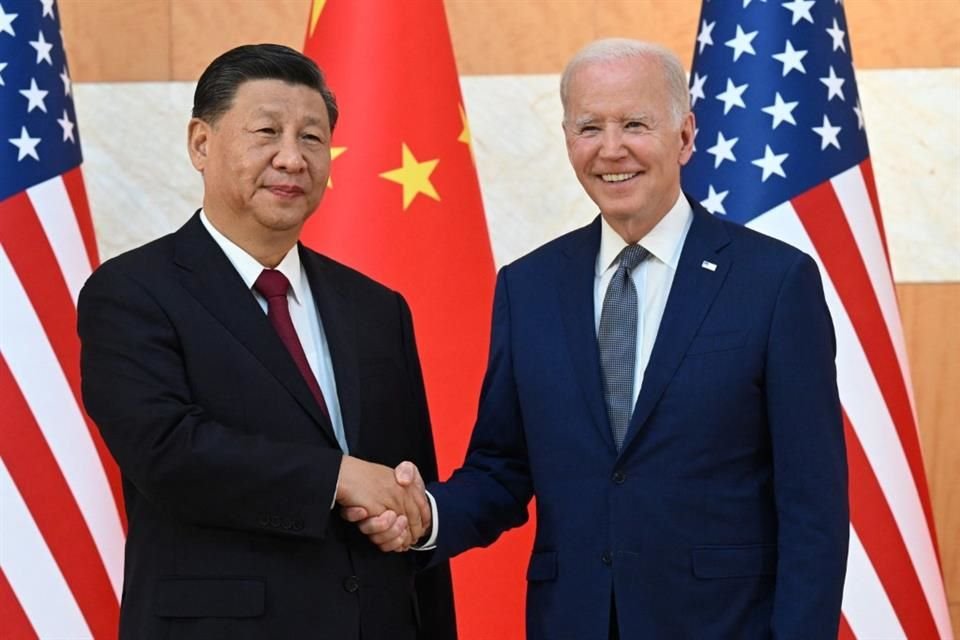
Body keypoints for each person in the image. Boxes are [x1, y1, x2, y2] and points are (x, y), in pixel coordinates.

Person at [348, 39, 849, 639]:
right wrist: (425, 515)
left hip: (724, 625)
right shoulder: (528, 287)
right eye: (589, 127)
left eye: (635, 123)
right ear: (567, 140)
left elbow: (813, 506)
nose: (612, 149)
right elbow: (503, 468)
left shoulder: (774, 282)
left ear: (685, 136)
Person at [78, 44, 455, 640]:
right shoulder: (131, 293)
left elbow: (409, 488)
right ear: (201, 143)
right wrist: (336, 476)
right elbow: (167, 452)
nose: (292, 157)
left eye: (312, 138)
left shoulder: (377, 308)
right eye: (267, 132)